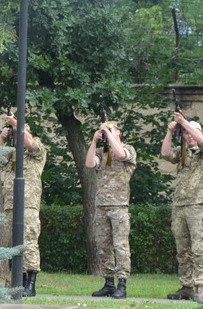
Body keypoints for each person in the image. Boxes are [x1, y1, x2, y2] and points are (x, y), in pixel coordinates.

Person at [160, 112, 203, 301]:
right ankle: (186, 286)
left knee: (199, 248)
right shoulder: (182, 152)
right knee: (182, 250)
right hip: (180, 206)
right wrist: (170, 131)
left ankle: (201, 287)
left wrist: (184, 122)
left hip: (197, 206)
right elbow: (165, 153)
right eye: (186, 133)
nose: (189, 136)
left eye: (192, 133)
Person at [0, 112, 47, 297]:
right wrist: (2, 138)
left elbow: (30, 143)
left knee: (29, 242)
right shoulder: (11, 155)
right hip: (11, 205)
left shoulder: (36, 151)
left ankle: (30, 284)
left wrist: (17, 124)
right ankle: (16, 282)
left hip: (28, 205)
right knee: (12, 245)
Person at [85, 120, 137, 299]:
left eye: (111, 130)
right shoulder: (102, 151)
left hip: (119, 205)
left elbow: (121, 155)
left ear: (119, 132)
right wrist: (94, 141)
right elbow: (90, 164)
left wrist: (108, 132)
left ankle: (122, 283)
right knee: (103, 246)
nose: (106, 132)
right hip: (102, 206)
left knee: (120, 246)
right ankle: (108, 283)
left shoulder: (128, 148)